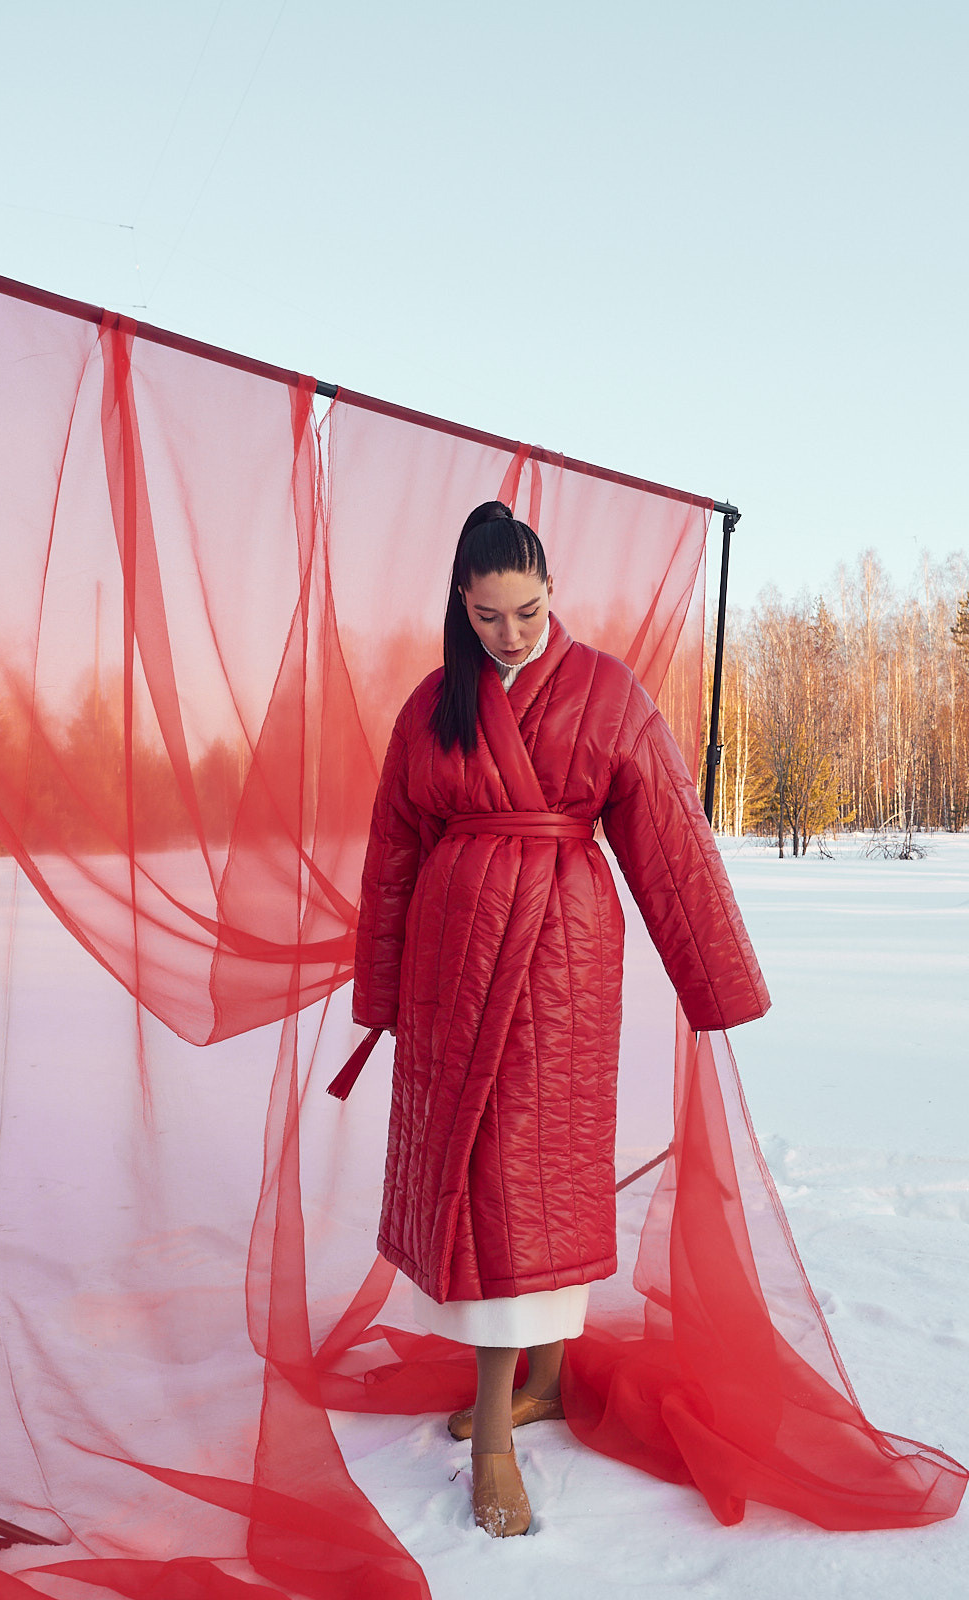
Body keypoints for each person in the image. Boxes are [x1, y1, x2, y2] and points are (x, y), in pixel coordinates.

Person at [352, 500, 770, 1537]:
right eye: (490, 616)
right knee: (478, 1181)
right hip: (452, 962)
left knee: (524, 1181)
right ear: (462, 604)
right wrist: (384, 987)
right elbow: (393, 855)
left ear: (552, 590)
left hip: (561, 960)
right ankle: (530, 1382)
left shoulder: (606, 692)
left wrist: (715, 977)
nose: (512, 634)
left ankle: (501, 1427)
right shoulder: (431, 707)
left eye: (529, 612)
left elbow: (668, 834)